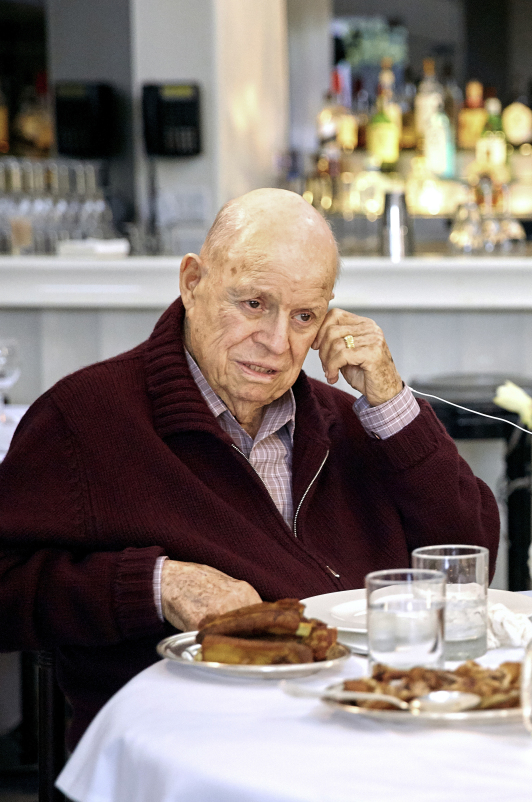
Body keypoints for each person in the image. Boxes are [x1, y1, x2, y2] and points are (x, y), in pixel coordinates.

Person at [0, 188, 500, 747]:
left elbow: (470, 555)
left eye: (304, 316)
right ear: (192, 283)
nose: (276, 342)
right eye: (254, 304)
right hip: (191, 745)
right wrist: (158, 583)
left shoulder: (353, 420)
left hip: (373, 727)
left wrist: (391, 402)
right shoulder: (89, 416)